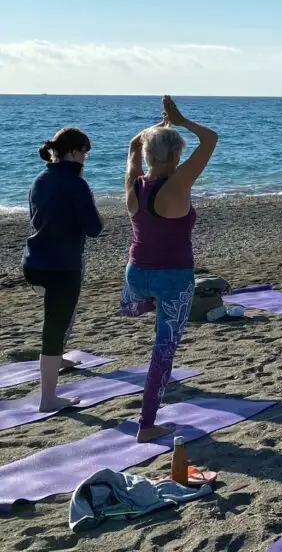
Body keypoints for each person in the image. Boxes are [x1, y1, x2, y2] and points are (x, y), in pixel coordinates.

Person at [120, 96, 218, 443]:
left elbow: (133, 151)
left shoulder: (134, 185)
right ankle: (147, 425)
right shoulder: (178, 184)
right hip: (174, 278)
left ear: (147, 155)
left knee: (133, 307)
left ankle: (142, 304)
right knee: (162, 353)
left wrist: (148, 134)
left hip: (136, 274)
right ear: (176, 156)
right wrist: (180, 119)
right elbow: (211, 140)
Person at [22, 128, 103, 412]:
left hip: (33, 262)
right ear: (71, 153)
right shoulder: (76, 183)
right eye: (84, 153)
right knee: (54, 327)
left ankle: (60, 358)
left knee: (59, 314)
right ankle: (48, 398)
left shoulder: (40, 179)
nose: (85, 159)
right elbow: (94, 228)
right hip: (60, 266)